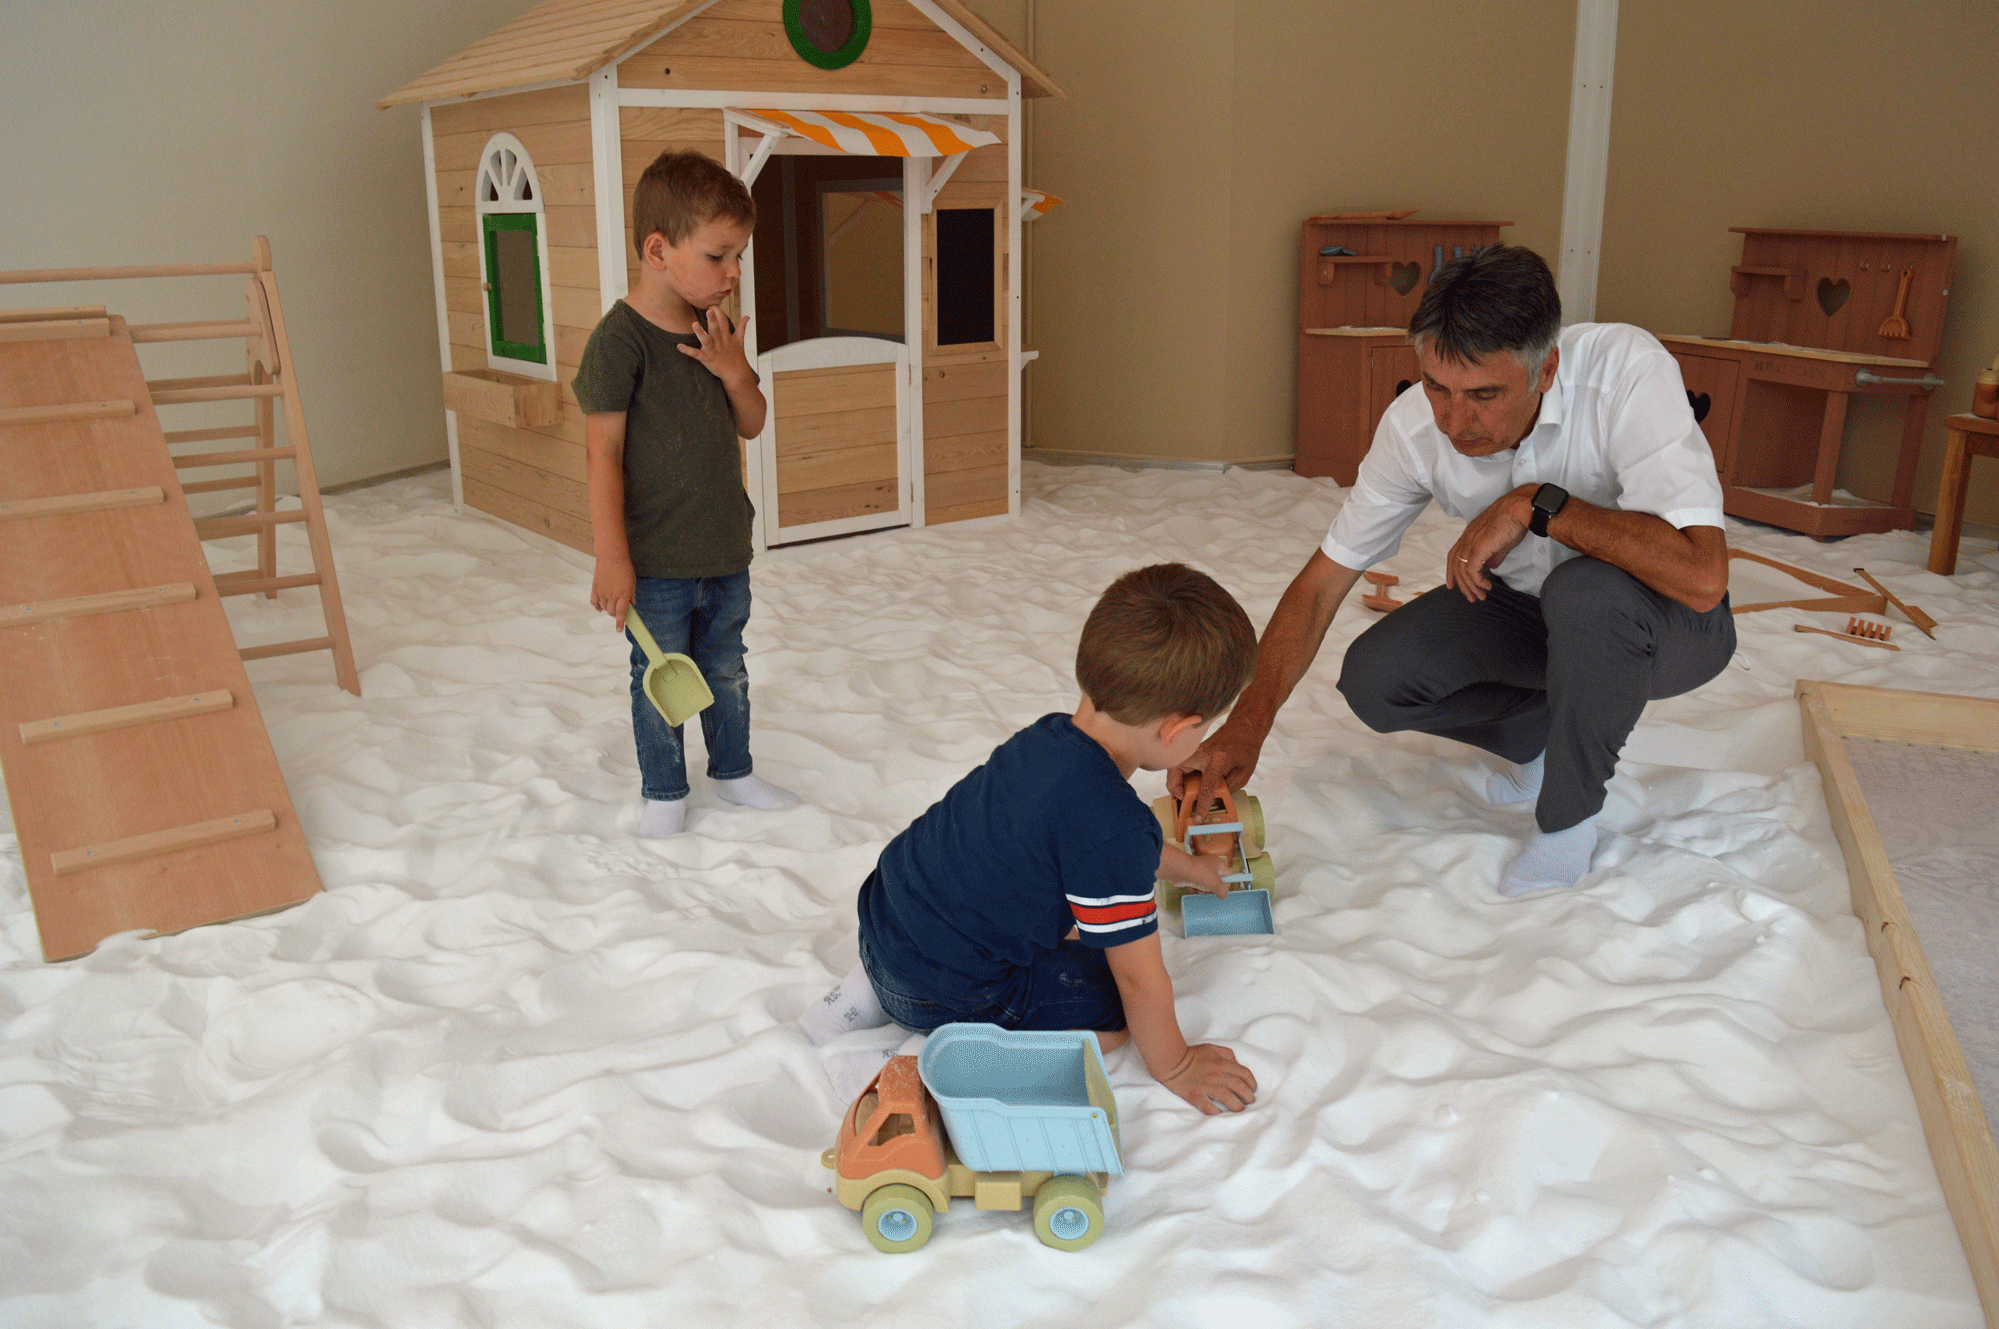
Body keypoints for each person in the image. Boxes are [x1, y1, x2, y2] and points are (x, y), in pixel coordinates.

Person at [1180, 245, 1734, 898]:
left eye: (1484, 395)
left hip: (1669, 625)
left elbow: (1703, 576)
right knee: (1376, 678)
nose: (1453, 419)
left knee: (1584, 591)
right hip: (1529, 610)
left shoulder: (1628, 371)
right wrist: (1248, 722)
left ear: (1546, 368)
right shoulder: (1414, 428)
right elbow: (1322, 585)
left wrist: (1536, 505)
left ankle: (1568, 821)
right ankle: (1541, 740)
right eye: (1437, 387)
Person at [807, 564, 1261, 1115]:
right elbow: (1139, 981)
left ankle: (858, 997)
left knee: (1039, 920)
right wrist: (1177, 1065)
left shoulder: (1046, 737)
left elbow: (1121, 849)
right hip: (938, 991)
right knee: (1112, 1011)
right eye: (1205, 727)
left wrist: (1194, 871)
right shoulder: (1112, 824)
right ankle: (914, 1057)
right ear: (1176, 729)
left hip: (884, 923)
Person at [574, 149, 798, 838]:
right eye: (718, 256)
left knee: (726, 668)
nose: (734, 273)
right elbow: (602, 455)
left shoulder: (715, 328)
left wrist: (734, 371)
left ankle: (733, 772)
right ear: (658, 250)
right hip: (657, 561)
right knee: (661, 674)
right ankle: (665, 792)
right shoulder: (620, 343)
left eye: (739, 256)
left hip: (724, 549)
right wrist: (612, 556)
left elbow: (753, 423)